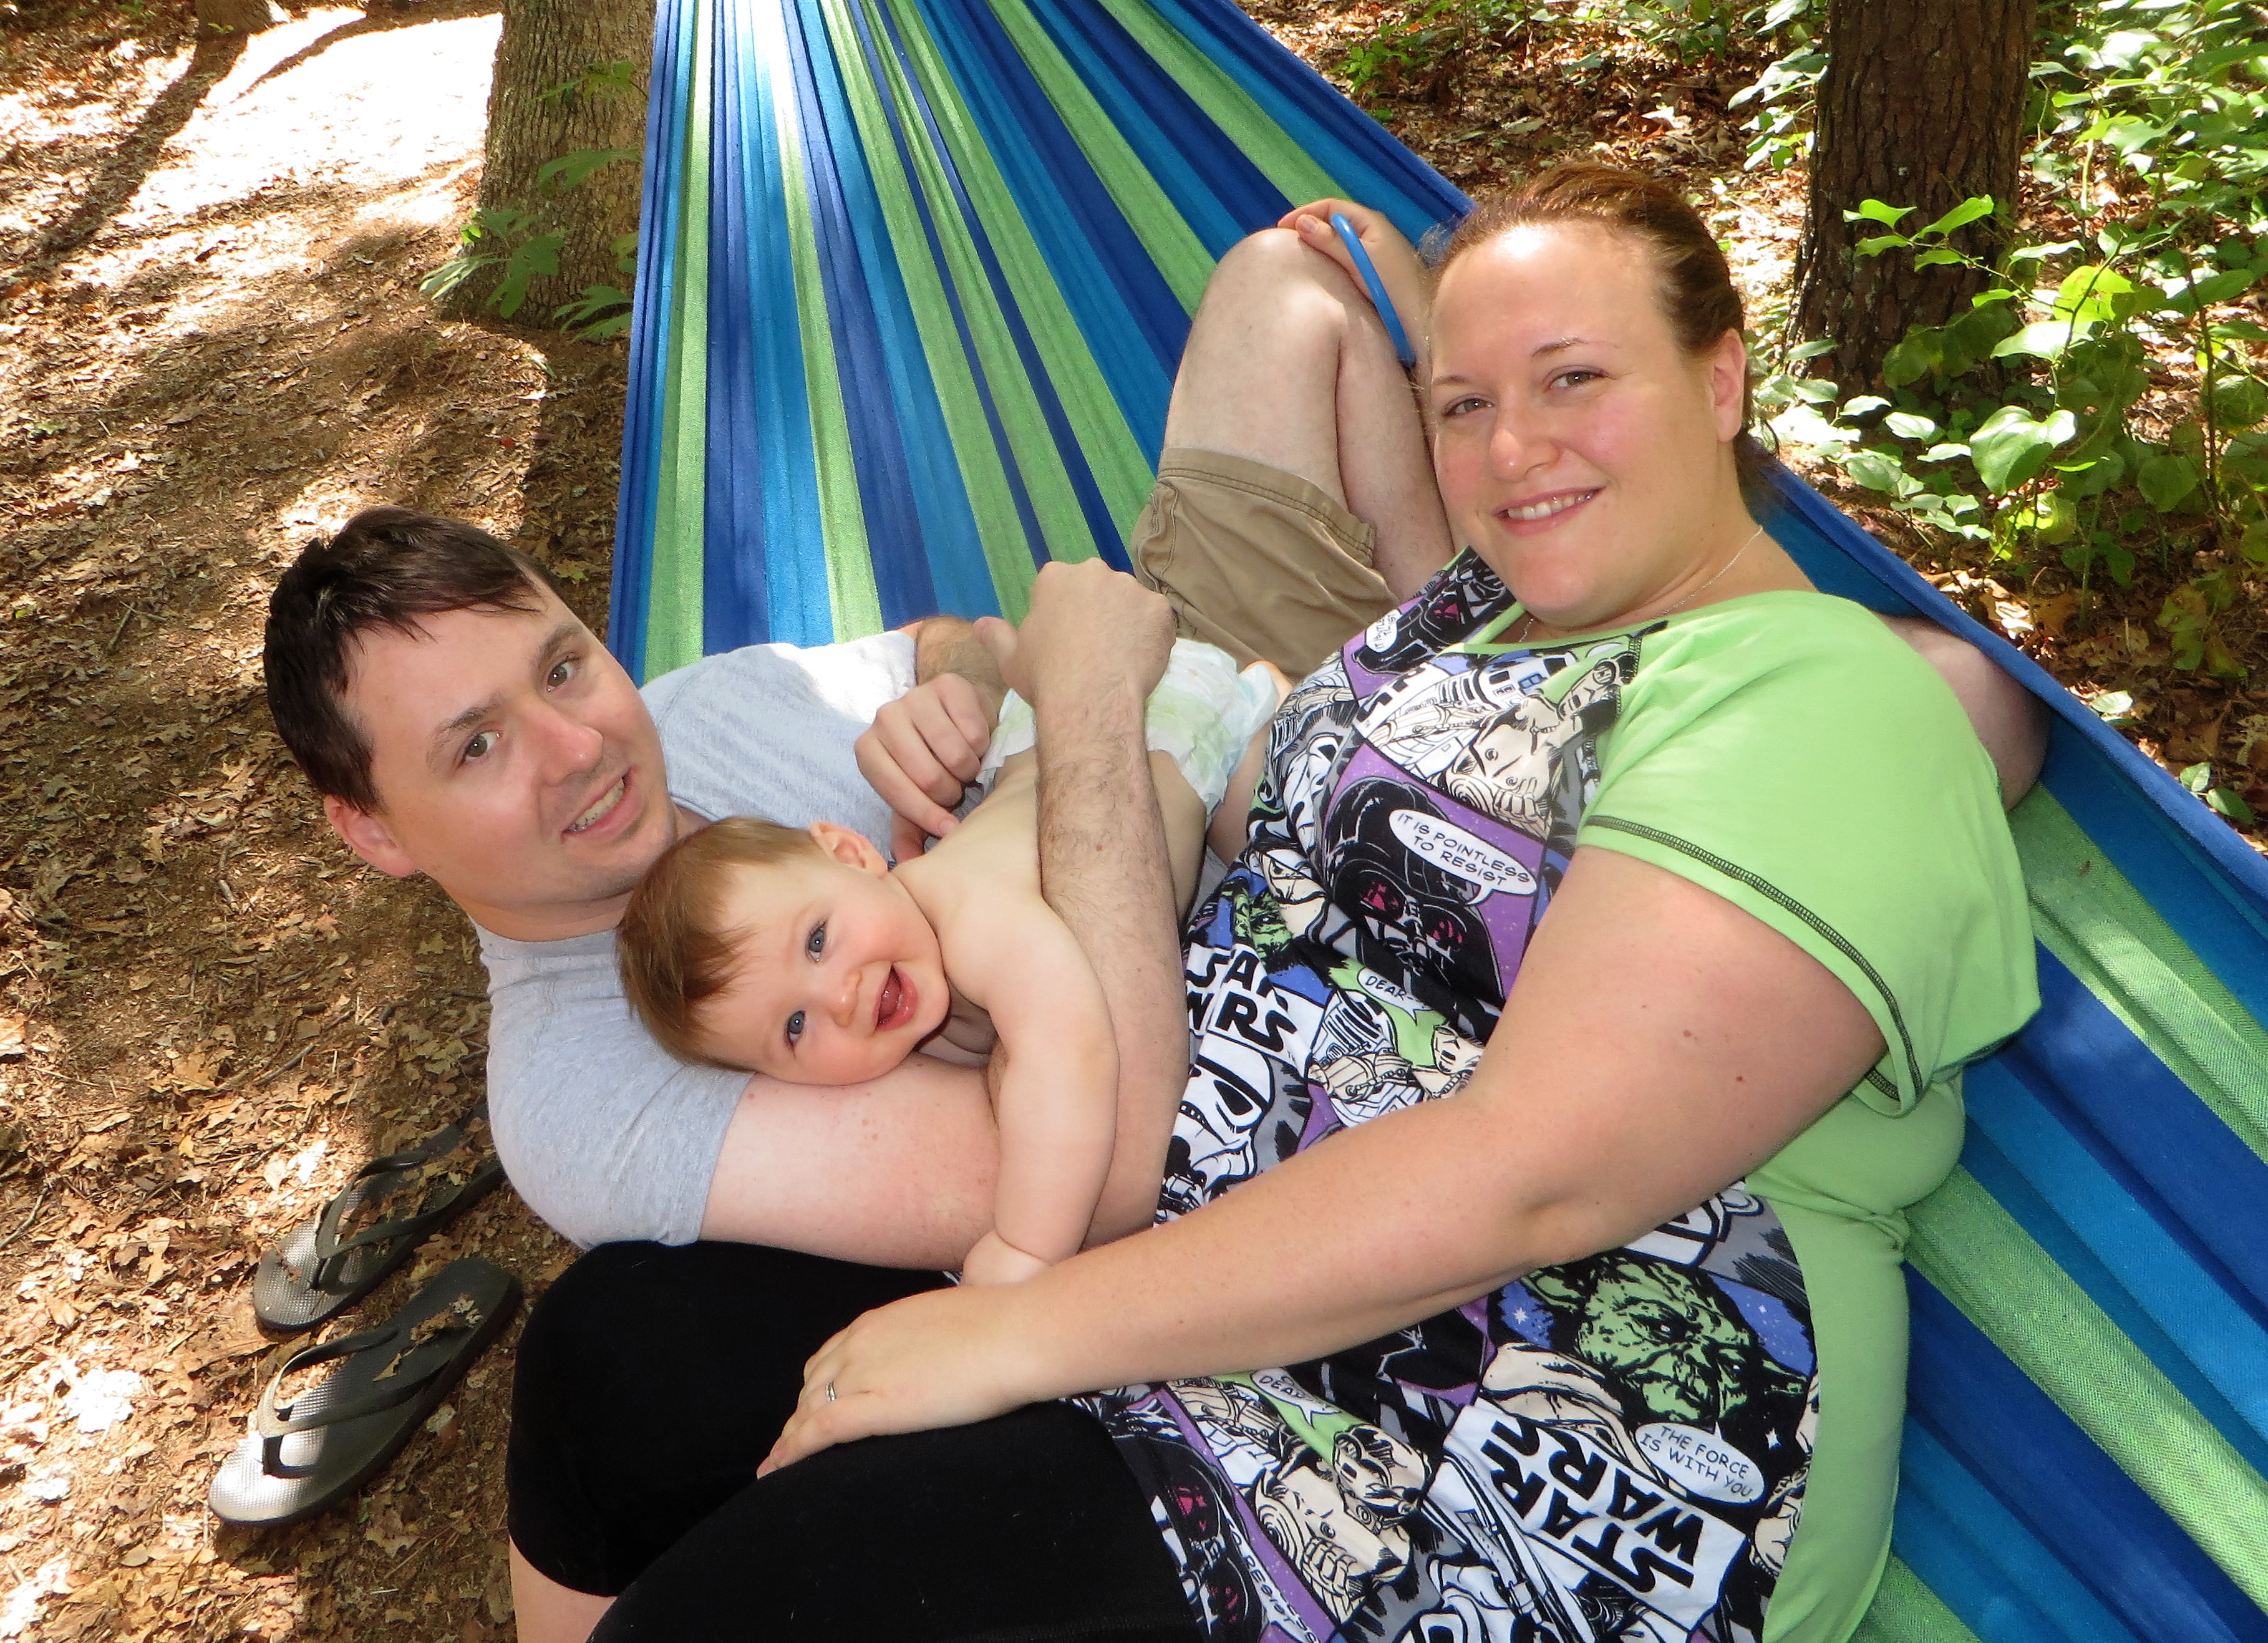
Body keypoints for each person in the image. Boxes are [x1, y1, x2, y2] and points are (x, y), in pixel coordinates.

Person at [495, 164, 2045, 1643]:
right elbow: (1239, 810)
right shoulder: (1473, 613)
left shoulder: (1809, 701)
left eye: (1573, 378)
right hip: (1215, 1257)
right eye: (1463, 403)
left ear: (1719, 380)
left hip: (1503, 1430)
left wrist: (1015, 1330)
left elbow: (1536, 1182)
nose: (1512, 447)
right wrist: (1001, 769)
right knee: (612, 1362)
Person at [613, 643, 1277, 1284]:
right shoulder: (909, 1007)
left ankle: (1271, 697)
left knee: (1281, 851)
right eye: (794, 1026)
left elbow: (1068, 1048)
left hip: (1164, 721)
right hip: (1046, 764)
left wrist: (1026, 1244)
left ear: (852, 855)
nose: (839, 998)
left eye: (817, 941)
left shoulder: (967, 909)